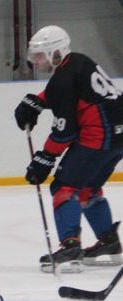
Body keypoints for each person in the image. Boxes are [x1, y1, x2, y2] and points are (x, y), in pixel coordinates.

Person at [14, 25, 123, 271]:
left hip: (99, 136)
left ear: (57, 52)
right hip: (119, 137)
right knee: (88, 188)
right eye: (34, 55)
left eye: (40, 55)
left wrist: (44, 158)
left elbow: (65, 132)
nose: (35, 61)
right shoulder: (79, 61)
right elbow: (68, 88)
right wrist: (39, 101)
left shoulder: (63, 79)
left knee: (63, 187)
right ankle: (108, 243)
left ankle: (70, 248)